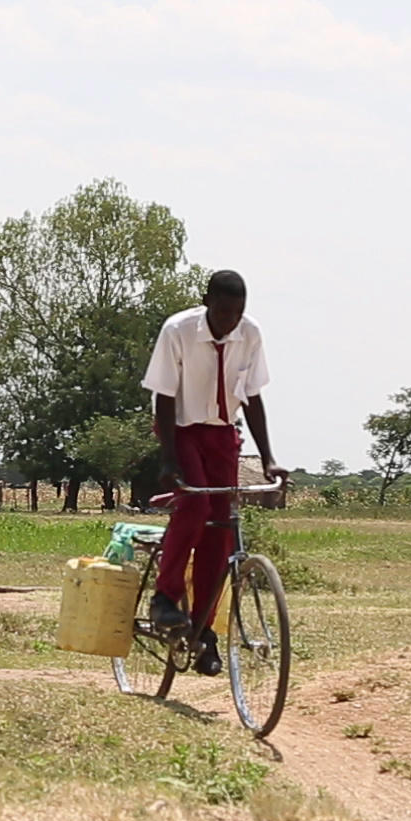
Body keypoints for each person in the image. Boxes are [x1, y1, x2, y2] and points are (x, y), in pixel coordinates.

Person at [140, 269, 286, 677]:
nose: (229, 323)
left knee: (221, 529)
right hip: (181, 429)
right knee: (195, 504)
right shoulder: (178, 330)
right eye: (222, 313)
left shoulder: (250, 334)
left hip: (223, 434)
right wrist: (169, 460)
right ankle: (165, 598)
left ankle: (203, 628)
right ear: (207, 303)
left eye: (237, 314)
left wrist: (269, 457)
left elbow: (252, 397)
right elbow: (164, 397)